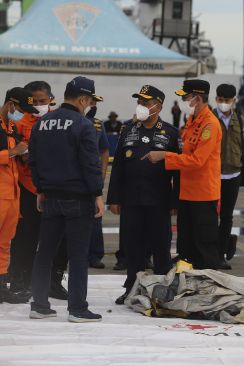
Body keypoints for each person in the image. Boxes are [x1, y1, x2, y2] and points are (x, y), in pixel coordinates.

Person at [28, 76, 105, 322]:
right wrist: (97, 194)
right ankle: (77, 309)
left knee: (44, 253)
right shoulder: (83, 125)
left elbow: (34, 161)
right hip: (78, 198)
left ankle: (39, 305)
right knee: (78, 255)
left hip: (50, 197)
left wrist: (40, 189)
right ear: (83, 99)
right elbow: (91, 164)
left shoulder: (42, 124)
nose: (89, 105)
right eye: (89, 101)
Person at [142, 79, 226, 269]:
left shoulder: (210, 125)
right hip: (187, 192)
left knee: (204, 245)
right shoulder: (192, 121)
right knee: (186, 244)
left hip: (203, 194)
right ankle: (187, 279)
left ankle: (207, 283)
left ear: (196, 99)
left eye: (185, 97)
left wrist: (165, 156)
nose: (183, 101)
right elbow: (184, 151)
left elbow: (197, 160)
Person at [108, 85, 179, 304]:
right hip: (131, 200)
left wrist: (175, 201)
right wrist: (114, 198)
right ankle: (131, 288)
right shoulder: (128, 129)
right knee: (133, 247)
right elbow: (118, 165)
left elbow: (178, 172)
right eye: (139, 102)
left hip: (158, 200)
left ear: (159, 106)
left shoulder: (170, 132)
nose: (141, 107)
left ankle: (163, 292)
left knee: (161, 248)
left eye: (146, 103)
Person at [9, 81, 62, 298]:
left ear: (51, 98)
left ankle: (54, 281)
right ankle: (20, 279)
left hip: (55, 187)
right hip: (27, 188)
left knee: (57, 238)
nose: (39, 105)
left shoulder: (61, 121)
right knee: (24, 237)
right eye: (34, 102)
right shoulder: (19, 123)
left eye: (43, 101)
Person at [212, 84, 244, 265]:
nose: (223, 103)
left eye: (227, 100)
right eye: (220, 100)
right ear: (216, 99)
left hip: (234, 175)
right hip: (212, 175)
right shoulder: (210, 118)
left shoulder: (239, 119)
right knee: (210, 216)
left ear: (234, 101)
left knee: (227, 216)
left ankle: (221, 254)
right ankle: (210, 252)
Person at [0, 87, 34, 304]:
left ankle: (2, 288)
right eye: (21, 109)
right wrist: (13, 152)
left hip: (12, 194)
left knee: (4, 244)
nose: (23, 115)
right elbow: (10, 153)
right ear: (11, 104)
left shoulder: (12, 128)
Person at [86, 98, 110, 271]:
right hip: (73, 179)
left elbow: (104, 150)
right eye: (90, 102)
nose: (93, 106)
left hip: (93, 178)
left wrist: (101, 175)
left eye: (95, 104)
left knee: (96, 217)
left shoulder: (98, 125)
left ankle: (95, 254)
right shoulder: (70, 121)